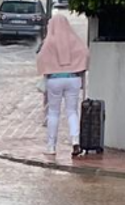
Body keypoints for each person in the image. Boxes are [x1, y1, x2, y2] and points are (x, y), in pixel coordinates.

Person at [37, 15, 89, 156]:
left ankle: (51, 147)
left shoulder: (49, 42)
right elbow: (85, 53)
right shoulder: (74, 39)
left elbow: (41, 58)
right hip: (73, 79)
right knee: (72, 111)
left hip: (54, 80)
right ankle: (75, 141)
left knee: (53, 113)